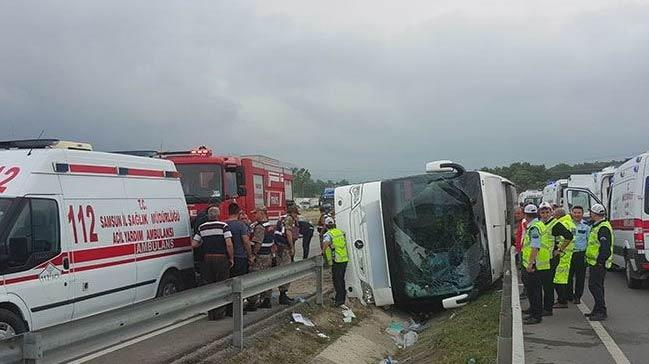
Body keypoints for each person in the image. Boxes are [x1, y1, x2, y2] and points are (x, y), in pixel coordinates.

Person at [191, 206, 233, 320]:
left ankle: (211, 313)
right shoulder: (224, 226)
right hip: (221, 258)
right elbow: (229, 244)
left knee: (210, 285)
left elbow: (194, 244)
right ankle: (220, 313)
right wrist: (231, 258)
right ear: (218, 215)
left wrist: (203, 244)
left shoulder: (202, 227)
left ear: (208, 216)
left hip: (207, 259)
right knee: (222, 285)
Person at [538, 202, 573, 316]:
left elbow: (569, 236)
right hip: (542, 258)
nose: (545, 214)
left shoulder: (555, 224)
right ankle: (545, 306)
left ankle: (548, 309)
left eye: (547, 212)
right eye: (543, 212)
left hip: (552, 258)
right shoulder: (540, 224)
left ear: (551, 212)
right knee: (544, 283)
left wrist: (560, 249)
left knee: (548, 284)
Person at [585, 204, 614, 321]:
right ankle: (597, 310)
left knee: (595, 286)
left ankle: (601, 311)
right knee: (597, 286)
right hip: (594, 262)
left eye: (591, 212)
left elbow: (605, 248)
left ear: (595, 214)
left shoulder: (603, 227)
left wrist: (600, 261)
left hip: (598, 263)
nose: (590, 214)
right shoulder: (598, 226)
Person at [520, 204, 548, 325]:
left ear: (526, 215)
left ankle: (536, 316)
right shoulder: (538, 224)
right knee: (534, 290)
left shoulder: (534, 227)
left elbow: (535, 246)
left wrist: (530, 263)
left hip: (534, 264)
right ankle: (533, 311)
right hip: (538, 263)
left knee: (534, 291)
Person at [245, 206, 275, 311]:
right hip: (268, 255)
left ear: (261, 213)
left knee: (254, 278)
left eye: (255, 213)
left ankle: (252, 302)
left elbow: (258, 242)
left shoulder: (259, 227)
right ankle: (266, 299)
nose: (254, 215)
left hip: (260, 256)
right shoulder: (269, 225)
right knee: (266, 278)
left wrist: (253, 254)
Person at [225, 203, 253, 316]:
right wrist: (250, 255)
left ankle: (228, 308)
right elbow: (246, 241)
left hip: (228, 258)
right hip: (240, 257)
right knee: (239, 284)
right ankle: (238, 309)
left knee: (229, 284)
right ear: (238, 212)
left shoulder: (224, 224)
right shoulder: (241, 225)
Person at [273, 205, 299, 304]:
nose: (296, 216)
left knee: (283, 269)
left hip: (279, 246)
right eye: (296, 214)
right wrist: (292, 247)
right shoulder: (289, 219)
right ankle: (283, 295)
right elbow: (288, 233)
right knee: (286, 270)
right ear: (293, 213)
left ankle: (283, 294)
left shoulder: (282, 218)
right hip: (284, 248)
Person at [552, 208, 576, 308]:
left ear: (558, 216)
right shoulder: (571, 223)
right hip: (569, 253)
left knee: (559, 278)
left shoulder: (562, 224)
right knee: (565, 277)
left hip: (563, 254)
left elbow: (567, 238)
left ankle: (562, 301)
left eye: (554, 215)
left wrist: (559, 249)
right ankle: (564, 298)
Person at [322, 217, 349, 307]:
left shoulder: (328, 234)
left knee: (337, 280)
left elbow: (325, 243)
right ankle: (341, 297)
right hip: (344, 259)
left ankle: (339, 300)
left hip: (337, 260)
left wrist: (323, 252)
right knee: (341, 279)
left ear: (326, 226)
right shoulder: (340, 232)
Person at [566, 206, 590, 304]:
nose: (576, 214)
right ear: (571, 213)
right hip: (569, 253)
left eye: (579, 212)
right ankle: (569, 295)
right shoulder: (567, 225)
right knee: (568, 276)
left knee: (580, 277)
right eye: (575, 212)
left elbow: (589, 241)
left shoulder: (586, 226)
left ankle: (578, 296)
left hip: (580, 254)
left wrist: (587, 255)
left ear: (582, 214)